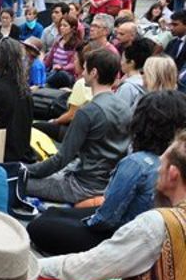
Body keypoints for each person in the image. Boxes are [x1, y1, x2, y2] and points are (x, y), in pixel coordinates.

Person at [39, 130, 186, 280]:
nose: (158, 169)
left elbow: (80, 269)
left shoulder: (158, 223)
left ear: (173, 173)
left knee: (49, 279)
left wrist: (29, 267)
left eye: (162, 163)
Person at [28, 91, 186, 256]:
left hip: (121, 238)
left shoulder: (137, 163)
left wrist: (86, 221)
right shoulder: (174, 161)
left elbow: (105, 220)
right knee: (55, 213)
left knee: (39, 226)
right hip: (139, 231)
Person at [27, 49, 131, 203]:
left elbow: (61, 159)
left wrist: (25, 169)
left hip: (82, 186)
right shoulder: (125, 107)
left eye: (85, 68)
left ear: (94, 72)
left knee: (18, 181)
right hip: (109, 183)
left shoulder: (88, 111)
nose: (82, 73)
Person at [113, 37, 152, 109]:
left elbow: (118, 112)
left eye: (122, 59)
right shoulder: (146, 81)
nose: (121, 63)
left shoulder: (128, 87)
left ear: (131, 63)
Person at [45, 15, 82, 88]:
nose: (61, 28)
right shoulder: (57, 41)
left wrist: (62, 67)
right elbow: (49, 60)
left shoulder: (77, 44)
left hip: (67, 75)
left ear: (72, 28)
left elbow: (73, 64)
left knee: (59, 74)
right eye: (61, 25)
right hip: (54, 72)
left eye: (65, 26)